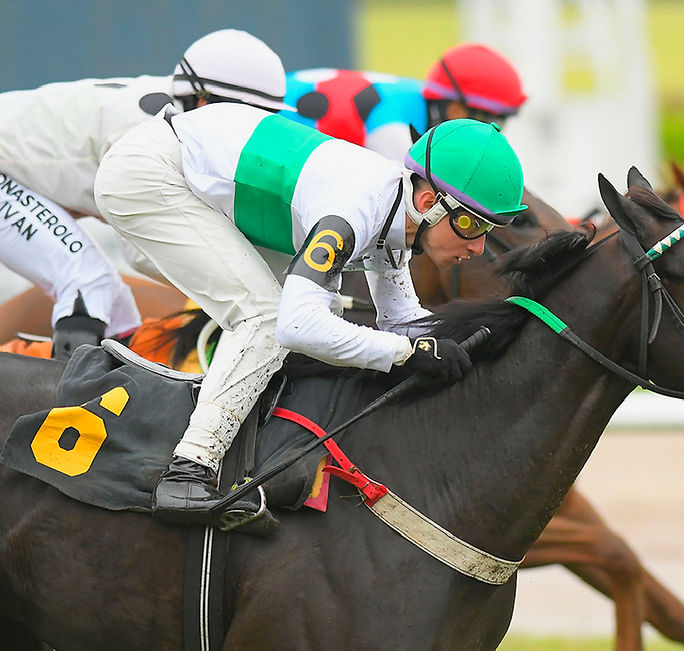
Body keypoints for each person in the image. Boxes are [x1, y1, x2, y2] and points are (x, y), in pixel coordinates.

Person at [93, 102, 526, 526]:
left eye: (488, 231)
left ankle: (245, 453)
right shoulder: (357, 210)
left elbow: (404, 323)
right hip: (150, 176)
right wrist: (405, 353)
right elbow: (298, 327)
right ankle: (189, 472)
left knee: (324, 311)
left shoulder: (396, 214)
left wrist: (491, 339)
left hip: (197, 174)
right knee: (267, 318)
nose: (478, 248)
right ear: (429, 200)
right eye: (471, 226)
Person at [0, 29, 287, 360]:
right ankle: (67, 400)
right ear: (203, 100)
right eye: (240, 114)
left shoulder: (181, 113)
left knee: (120, 313)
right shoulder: (155, 130)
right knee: (88, 283)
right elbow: (140, 249)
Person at [282, 42, 526, 163]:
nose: (490, 131)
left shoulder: (419, 101)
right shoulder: (395, 127)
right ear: (452, 106)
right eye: (487, 119)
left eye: (498, 121)